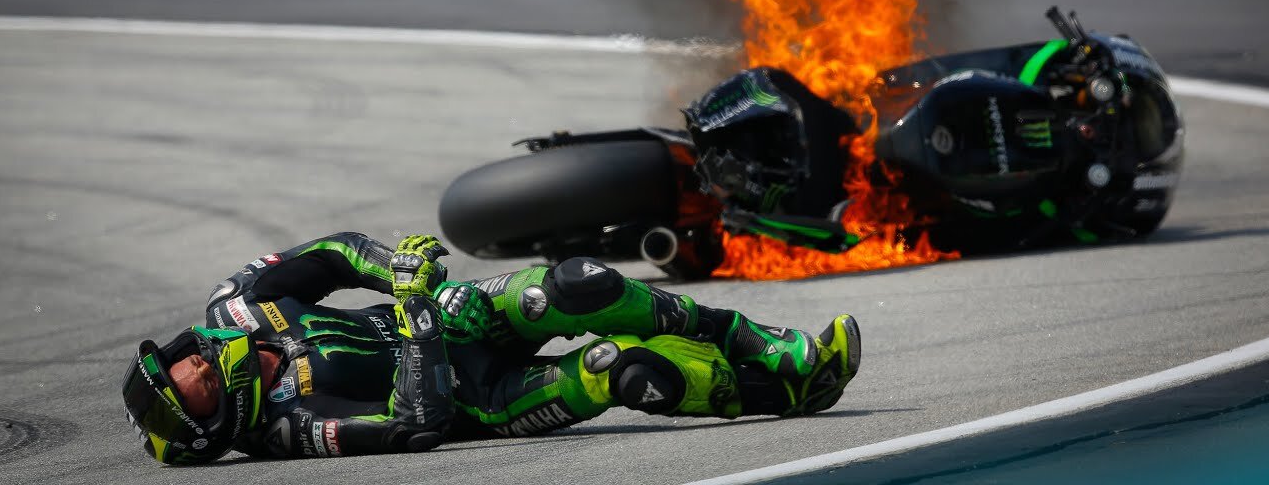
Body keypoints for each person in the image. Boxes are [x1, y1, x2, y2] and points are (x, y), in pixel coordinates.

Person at [123, 232, 861, 464]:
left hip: (463, 320)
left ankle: (752, 337)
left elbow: (337, 252)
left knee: (579, 285)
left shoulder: (237, 301)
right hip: (484, 401)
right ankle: (791, 391)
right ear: (205, 423)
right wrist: (413, 314)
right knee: (624, 373)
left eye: (177, 361)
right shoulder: (288, 429)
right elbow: (417, 422)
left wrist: (396, 273)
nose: (189, 363)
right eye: (180, 387)